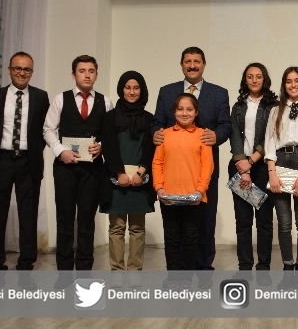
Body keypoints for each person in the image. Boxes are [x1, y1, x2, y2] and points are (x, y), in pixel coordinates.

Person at [151, 47, 231, 271]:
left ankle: (203, 267)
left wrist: (216, 136)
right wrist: (155, 134)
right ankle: (179, 271)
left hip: (204, 171)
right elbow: (157, 122)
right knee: (175, 228)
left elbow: (226, 125)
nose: (192, 65)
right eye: (188, 61)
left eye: (197, 61)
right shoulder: (167, 91)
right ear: (182, 65)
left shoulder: (219, 93)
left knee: (204, 222)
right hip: (173, 174)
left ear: (204, 64)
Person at [0, 51, 50, 271]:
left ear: (32, 72)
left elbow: (45, 130)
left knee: (28, 214)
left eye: (26, 69)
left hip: (29, 162)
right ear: (9, 70)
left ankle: (26, 261)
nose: (22, 73)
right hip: (1, 161)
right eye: (17, 68)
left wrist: (33, 150)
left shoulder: (41, 97)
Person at [43, 55, 113, 271]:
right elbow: (48, 130)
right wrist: (60, 151)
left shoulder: (106, 102)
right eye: (82, 71)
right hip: (65, 168)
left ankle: (84, 271)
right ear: (74, 75)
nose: (87, 75)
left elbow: (110, 133)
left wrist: (102, 146)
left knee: (86, 221)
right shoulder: (60, 99)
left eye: (91, 71)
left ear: (96, 75)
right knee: (64, 219)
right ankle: (63, 272)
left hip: (93, 170)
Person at [99, 71, 156, 272]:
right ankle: (116, 271)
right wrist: (119, 173)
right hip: (115, 178)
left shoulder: (150, 119)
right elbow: (108, 146)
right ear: (121, 89)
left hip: (141, 179)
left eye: (136, 88)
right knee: (116, 228)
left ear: (142, 90)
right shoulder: (110, 117)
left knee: (137, 229)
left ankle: (134, 272)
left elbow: (151, 148)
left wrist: (141, 173)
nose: (132, 92)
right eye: (128, 87)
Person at [265, 66, 298, 272]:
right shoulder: (275, 111)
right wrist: (272, 173)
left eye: (297, 81)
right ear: (284, 85)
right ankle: (288, 265)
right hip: (279, 161)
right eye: (289, 81)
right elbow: (270, 141)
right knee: (284, 221)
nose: (293, 85)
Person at [152, 93, 214, 271]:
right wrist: (159, 187)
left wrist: (200, 190)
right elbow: (157, 163)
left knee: (191, 239)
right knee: (171, 239)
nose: (184, 113)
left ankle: (187, 279)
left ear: (196, 112)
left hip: (194, 198)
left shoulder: (203, 135)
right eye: (180, 109)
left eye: (189, 109)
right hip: (168, 197)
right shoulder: (164, 134)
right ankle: (173, 278)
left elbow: (207, 166)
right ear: (173, 111)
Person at [229, 63, 278, 272]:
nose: (254, 80)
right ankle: (245, 266)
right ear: (245, 80)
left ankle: (264, 266)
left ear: (264, 79)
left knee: (264, 221)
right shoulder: (238, 106)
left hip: (263, 166)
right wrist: (244, 167)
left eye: (258, 76)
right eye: (250, 76)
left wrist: (250, 163)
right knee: (243, 221)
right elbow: (234, 136)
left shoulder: (273, 106)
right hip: (239, 166)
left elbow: (271, 137)